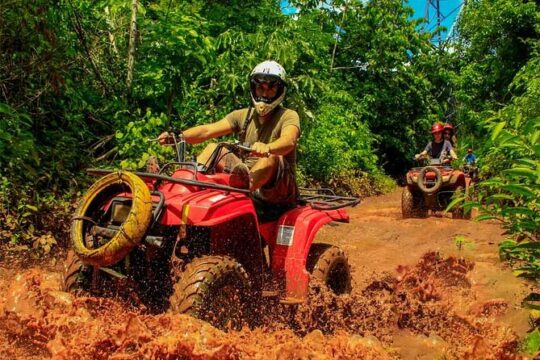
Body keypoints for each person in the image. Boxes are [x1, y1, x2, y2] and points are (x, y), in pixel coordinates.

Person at [158, 60, 300, 206]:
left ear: (280, 91)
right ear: (253, 88)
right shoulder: (243, 115)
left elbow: (289, 140)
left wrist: (268, 148)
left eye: (271, 89)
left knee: (272, 157)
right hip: (244, 177)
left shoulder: (288, 115)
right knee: (214, 148)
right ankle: (184, 186)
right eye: (260, 88)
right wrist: (178, 136)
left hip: (280, 189)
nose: (264, 93)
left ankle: (240, 192)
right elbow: (207, 130)